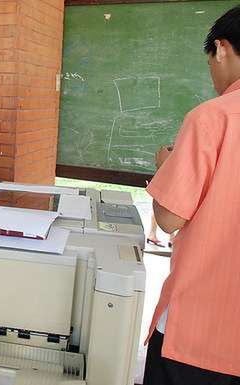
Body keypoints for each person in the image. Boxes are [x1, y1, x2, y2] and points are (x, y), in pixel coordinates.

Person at [143, 5, 240, 384]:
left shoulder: (214, 116)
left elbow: (168, 218)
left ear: (221, 48)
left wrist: (166, 165)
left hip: (201, 336)